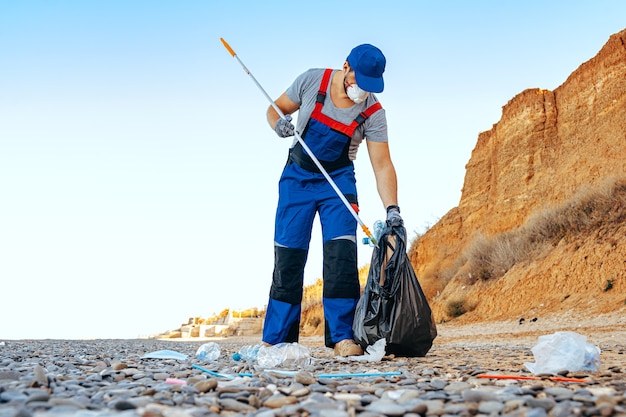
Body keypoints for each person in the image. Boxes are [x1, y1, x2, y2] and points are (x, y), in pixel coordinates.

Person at [262, 43, 403, 356]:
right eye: (359, 82)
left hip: (338, 183)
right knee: (288, 257)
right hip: (297, 179)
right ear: (346, 67)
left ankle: (342, 337)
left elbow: (382, 164)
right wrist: (279, 124)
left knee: (341, 257)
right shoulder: (312, 81)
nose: (362, 91)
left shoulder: (372, 113)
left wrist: (393, 209)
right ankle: (276, 341)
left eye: (370, 86)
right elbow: (274, 109)